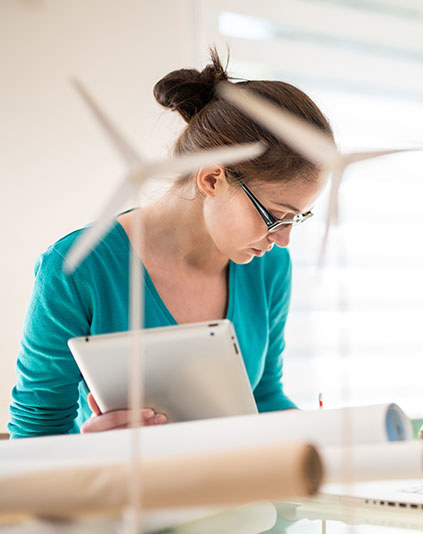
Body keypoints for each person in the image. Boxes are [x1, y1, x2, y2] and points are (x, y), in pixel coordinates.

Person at [7, 50, 333, 438]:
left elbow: (261, 397)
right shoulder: (76, 269)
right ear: (211, 179)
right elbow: (36, 431)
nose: (283, 239)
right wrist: (92, 452)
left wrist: (326, 433)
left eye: (297, 218)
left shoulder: (268, 266)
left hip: (237, 492)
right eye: (276, 216)